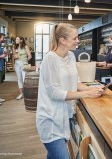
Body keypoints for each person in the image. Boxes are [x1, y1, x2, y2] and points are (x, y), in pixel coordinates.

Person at [36, 23, 104, 159]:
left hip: (65, 116)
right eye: (75, 38)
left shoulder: (71, 56)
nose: (78, 41)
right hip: (50, 120)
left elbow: (76, 83)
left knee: (53, 155)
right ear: (63, 40)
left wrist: (93, 89)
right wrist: (87, 94)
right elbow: (54, 93)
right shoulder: (50, 59)